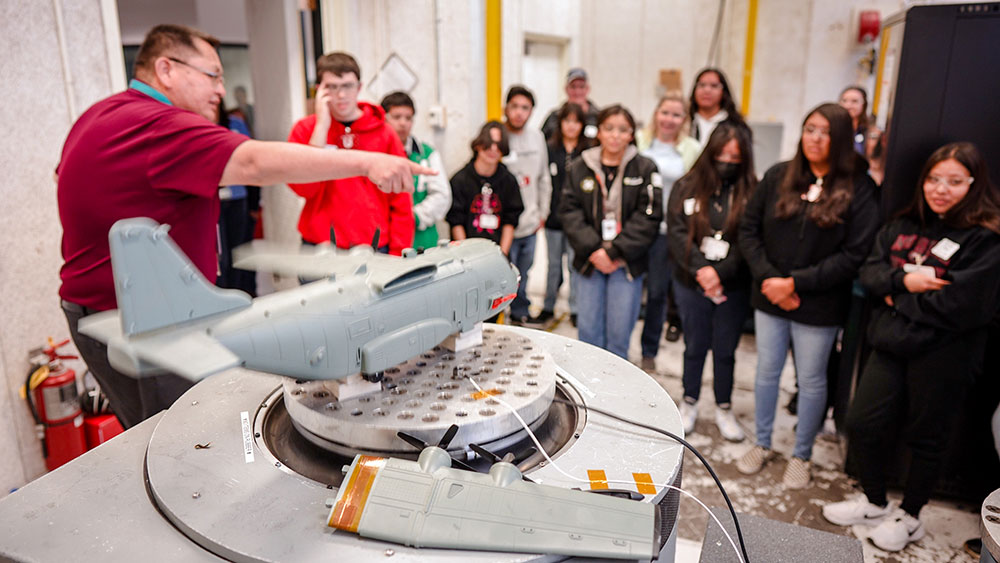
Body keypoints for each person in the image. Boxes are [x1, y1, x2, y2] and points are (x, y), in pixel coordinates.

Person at [57, 24, 431, 429]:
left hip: (94, 311)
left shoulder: (101, 114)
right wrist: (366, 161)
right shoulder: (161, 125)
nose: (221, 88)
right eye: (212, 75)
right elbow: (253, 163)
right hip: (146, 319)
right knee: (182, 437)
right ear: (166, 69)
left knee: (149, 431)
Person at [823, 142, 1000, 552]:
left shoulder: (985, 240)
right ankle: (875, 500)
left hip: (945, 354)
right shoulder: (903, 225)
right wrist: (907, 283)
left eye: (954, 181)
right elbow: (870, 273)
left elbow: (964, 305)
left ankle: (912, 515)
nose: (941, 189)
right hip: (890, 345)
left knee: (928, 436)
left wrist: (896, 296)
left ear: (974, 185)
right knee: (863, 422)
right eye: (934, 179)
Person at [735, 103, 879, 488]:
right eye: (809, 129)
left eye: (825, 131)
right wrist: (770, 280)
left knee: (812, 379)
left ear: (842, 139)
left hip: (819, 303)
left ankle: (802, 454)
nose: (815, 138)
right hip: (769, 294)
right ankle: (762, 443)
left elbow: (854, 254)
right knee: (766, 370)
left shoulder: (859, 188)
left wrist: (794, 284)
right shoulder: (779, 175)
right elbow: (749, 230)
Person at [667, 122, 756, 441]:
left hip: (732, 285)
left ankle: (724, 406)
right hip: (691, 281)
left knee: (725, 349)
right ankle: (689, 400)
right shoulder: (686, 185)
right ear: (710, 152)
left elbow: (752, 239)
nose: (728, 160)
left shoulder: (752, 190)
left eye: (736, 155)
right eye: (722, 153)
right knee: (695, 345)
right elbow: (677, 233)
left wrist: (721, 273)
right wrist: (702, 270)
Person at [559, 105, 662, 359]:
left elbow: (649, 217)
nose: (615, 135)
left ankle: (616, 396)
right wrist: (595, 249)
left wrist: (615, 251)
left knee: (618, 338)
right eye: (609, 128)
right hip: (590, 261)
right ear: (599, 132)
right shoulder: (581, 165)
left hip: (625, 264)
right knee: (588, 335)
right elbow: (569, 213)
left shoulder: (645, 168)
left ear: (631, 134)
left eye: (622, 130)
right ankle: (588, 394)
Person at [287, 52, 414, 255]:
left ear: (359, 87)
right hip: (320, 247)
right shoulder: (304, 130)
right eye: (332, 87)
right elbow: (304, 189)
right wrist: (321, 127)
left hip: (374, 247)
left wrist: (399, 252)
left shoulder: (385, 132)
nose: (341, 95)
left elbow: (401, 198)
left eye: (347, 85)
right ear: (319, 90)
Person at [639, 93, 702, 370]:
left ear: (684, 120)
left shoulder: (692, 148)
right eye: (665, 112)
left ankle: (648, 351)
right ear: (656, 114)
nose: (669, 119)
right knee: (627, 290)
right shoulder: (640, 141)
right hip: (636, 226)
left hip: (667, 230)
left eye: (676, 115)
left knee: (656, 293)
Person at [537, 102, 593, 326]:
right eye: (567, 121)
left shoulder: (587, 152)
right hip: (553, 217)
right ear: (560, 123)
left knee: (573, 264)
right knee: (552, 265)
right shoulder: (550, 148)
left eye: (576, 122)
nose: (571, 126)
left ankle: (576, 308)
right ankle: (548, 305)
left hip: (578, 219)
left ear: (582, 125)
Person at [502, 86, 552, 324]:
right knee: (503, 273)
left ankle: (520, 310)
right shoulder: (498, 136)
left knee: (525, 271)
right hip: (504, 225)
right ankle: (499, 313)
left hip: (530, 221)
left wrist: (543, 212)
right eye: (515, 107)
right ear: (506, 108)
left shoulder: (537, 138)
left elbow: (543, 177)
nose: (519, 113)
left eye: (525, 108)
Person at [380, 91, 451, 250]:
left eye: (408, 118)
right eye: (397, 117)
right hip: (384, 241)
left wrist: (411, 217)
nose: (403, 123)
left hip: (422, 241)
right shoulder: (374, 156)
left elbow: (442, 196)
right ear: (383, 119)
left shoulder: (427, 154)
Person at [447, 121, 524, 255]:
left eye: (498, 145)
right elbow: (456, 221)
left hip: (497, 252)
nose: (493, 149)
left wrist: (502, 256)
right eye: (489, 143)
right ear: (478, 145)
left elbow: (510, 221)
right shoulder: (460, 180)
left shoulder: (508, 181)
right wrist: (466, 256)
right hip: (465, 253)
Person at [216, 100, 258, 296]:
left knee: (240, 252)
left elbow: (252, 164)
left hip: (237, 199)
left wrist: (254, 204)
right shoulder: (196, 126)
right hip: (211, 201)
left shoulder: (235, 125)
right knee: (220, 257)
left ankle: (247, 295)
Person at [688, 68, 744, 147]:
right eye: (702, 85)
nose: (707, 90)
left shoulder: (735, 125)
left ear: (723, 92)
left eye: (714, 86)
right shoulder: (684, 121)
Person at [541, 68, 600, 141]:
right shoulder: (554, 117)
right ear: (566, 89)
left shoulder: (599, 117)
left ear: (587, 89)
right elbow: (541, 141)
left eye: (581, 87)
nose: (577, 92)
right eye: (573, 87)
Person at [838, 86, 868, 156]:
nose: (848, 105)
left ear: (864, 104)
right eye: (844, 101)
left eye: (854, 101)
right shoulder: (832, 127)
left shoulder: (870, 130)